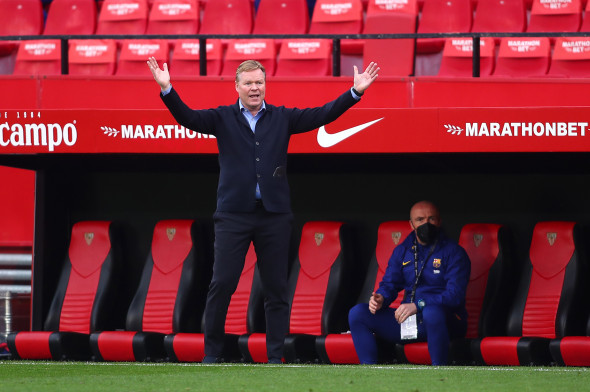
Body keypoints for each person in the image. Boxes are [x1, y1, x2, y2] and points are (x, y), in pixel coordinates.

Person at [147, 57, 379, 363]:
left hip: (274, 216)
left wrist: (354, 93)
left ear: (265, 85)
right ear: (237, 87)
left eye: (259, 82)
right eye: (249, 83)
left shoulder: (283, 118)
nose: (254, 88)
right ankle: (213, 355)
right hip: (233, 215)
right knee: (222, 285)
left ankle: (274, 358)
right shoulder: (222, 118)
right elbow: (187, 118)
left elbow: (322, 115)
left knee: (276, 290)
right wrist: (167, 89)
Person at [348, 201, 471, 366]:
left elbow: (454, 295)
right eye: (420, 219)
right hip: (411, 322)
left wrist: (419, 305)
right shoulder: (402, 251)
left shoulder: (454, 252)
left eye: (431, 218)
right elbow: (389, 284)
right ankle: (369, 372)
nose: (426, 224)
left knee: (432, 312)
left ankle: (440, 373)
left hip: (444, 323)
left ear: (439, 221)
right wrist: (380, 299)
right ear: (411, 224)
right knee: (358, 313)